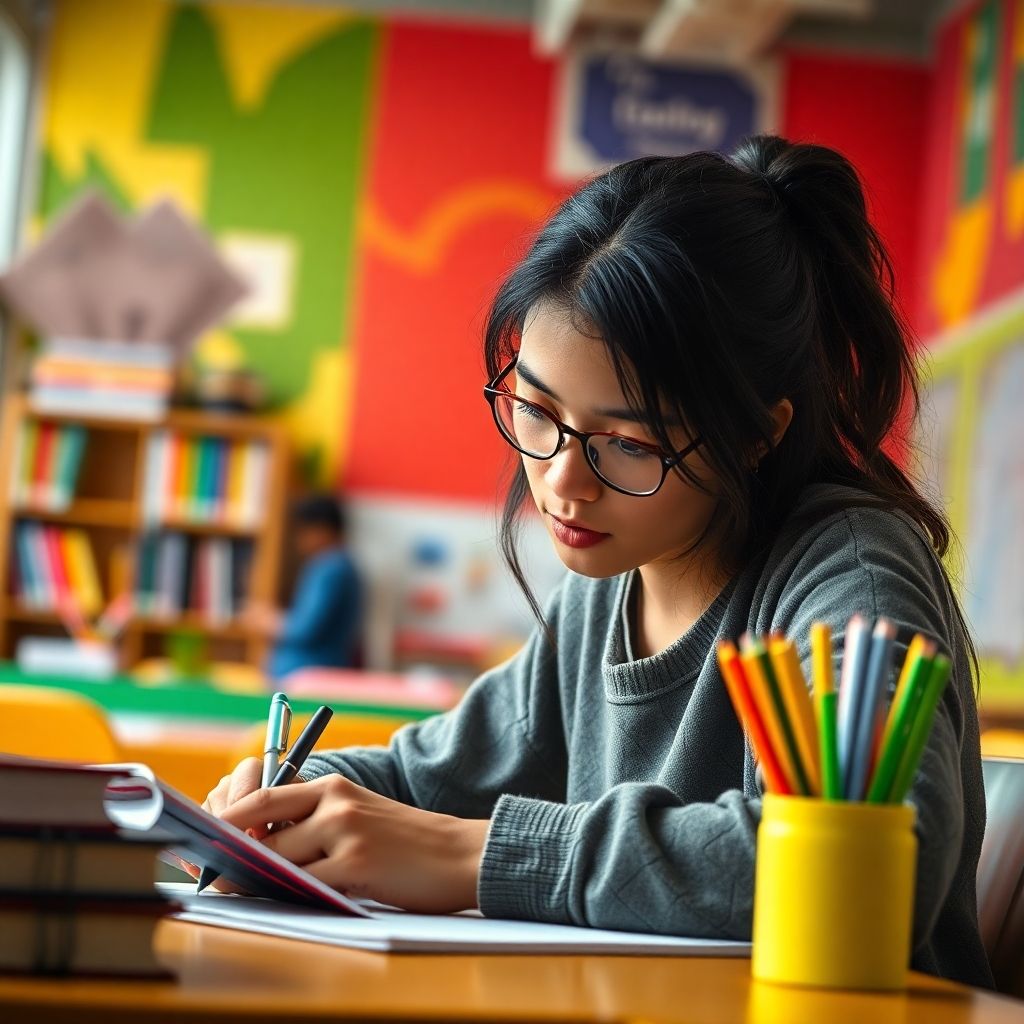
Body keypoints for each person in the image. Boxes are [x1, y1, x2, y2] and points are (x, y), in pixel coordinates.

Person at [202, 136, 993, 988]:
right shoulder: (606, 591)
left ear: (760, 433)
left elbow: (877, 859)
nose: (562, 481)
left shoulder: (847, 577)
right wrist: (291, 796)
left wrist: (482, 856)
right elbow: (425, 777)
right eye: (536, 411)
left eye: (626, 442)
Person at [245, 493, 362, 679]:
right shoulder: (343, 565)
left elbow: (304, 629)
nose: (299, 540)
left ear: (321, 530)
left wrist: (269, 620)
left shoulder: (330, 568)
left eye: (303, 532)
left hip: (308, 674)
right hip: (316, 670)